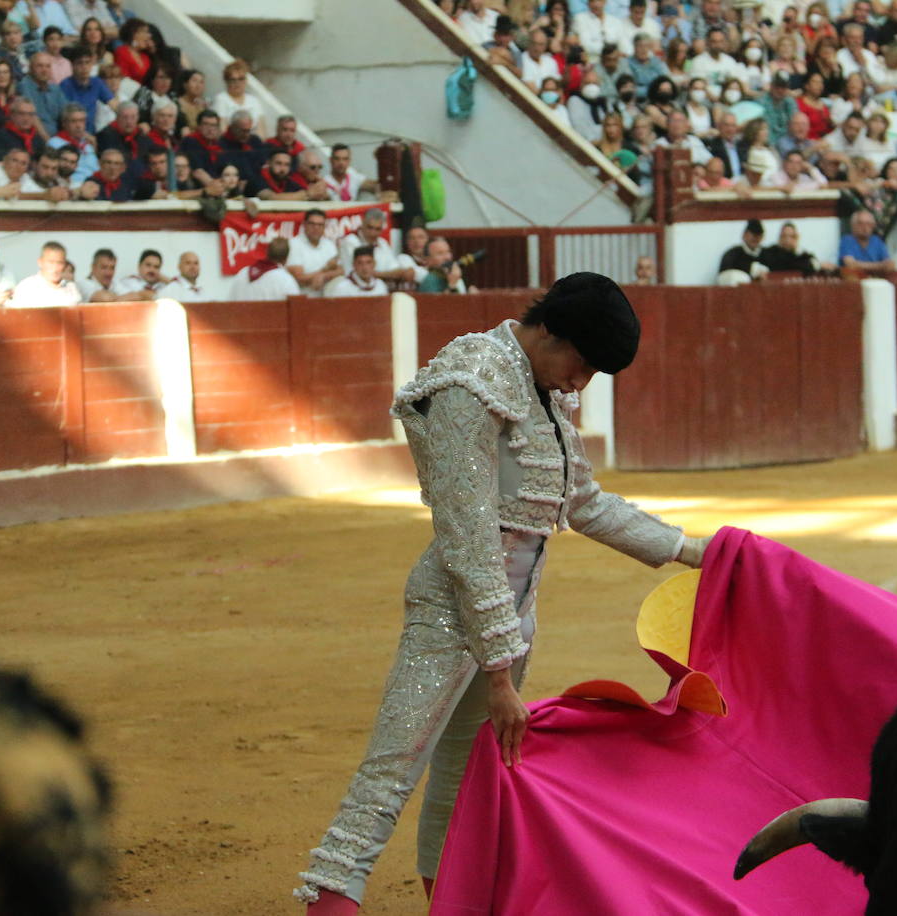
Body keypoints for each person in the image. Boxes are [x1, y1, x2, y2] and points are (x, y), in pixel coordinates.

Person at [295, 272, 708, 914]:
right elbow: (467, 536)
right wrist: (498, 671)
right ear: (549, 330)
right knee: (389, 776)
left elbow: (585, 503)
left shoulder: (541, 390)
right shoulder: (473, 379)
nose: (581, 383)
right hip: (452, 615)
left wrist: (694, 552)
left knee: (463, 784)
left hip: (511, 622)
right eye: (581, 363)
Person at [338, 208, 412, 285]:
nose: (373, 233)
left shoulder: (382, 243)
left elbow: (396, 271)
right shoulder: (350, 241)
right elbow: (355, 274)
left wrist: (378, 274)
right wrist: (387, 275)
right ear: (362, 223)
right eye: (370, 227)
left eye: (377, 229)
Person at [286, 208, 343, 295]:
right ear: (304, 225)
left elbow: (341, 271)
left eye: (320, 225)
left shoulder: (329, 244)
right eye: (312, 224)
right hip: (302, 297)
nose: (316, 228)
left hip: (328, 297)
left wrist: (324, 276)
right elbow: (299, 279)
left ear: (324, 227)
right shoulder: (294, 244)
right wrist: (325, 269)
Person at [11, 240, 83, 307]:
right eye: (50, 262)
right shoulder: (27, 287)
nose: (55, 268)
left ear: (65, 265)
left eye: (60, 263)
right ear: (40, 262)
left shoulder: (71, 287)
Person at [230, 236, 299, 301]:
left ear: (267, 252)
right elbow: (296, 307)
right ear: (286, 259)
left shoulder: (243, 272)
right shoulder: (285, 279)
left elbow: (230, 302)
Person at [762, 221, 831, 274]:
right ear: (779, 238)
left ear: (797, 238)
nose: (787, 240)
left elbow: (813, 261)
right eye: (784, 236)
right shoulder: (770, 253)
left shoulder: (802, 254)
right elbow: (787, 265)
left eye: (792, 237)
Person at [839, 209, 894, 275]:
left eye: (869, 224)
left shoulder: (877, 241)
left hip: (876, 281)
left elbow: (890, 265)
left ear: (873, 226)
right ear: (853, 225)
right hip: (855, 281)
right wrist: (880, 266)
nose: (865, 227)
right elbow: (851, 265)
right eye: (860, 223)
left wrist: (861, 265)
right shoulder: (847, 240)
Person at [717, 218, 769, 285]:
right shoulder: (732, 254)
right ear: (744, 235)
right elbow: (725, 276)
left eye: (758, 236)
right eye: (753, 235)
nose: (755, 239)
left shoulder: (767, 254)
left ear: (762, 237)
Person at [323, 246, 388, 297]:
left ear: (374, 264)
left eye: (368, 262)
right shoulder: (343, 288)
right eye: (360, 263)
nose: (364, 267)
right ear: (354, 265)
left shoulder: (380, 285)